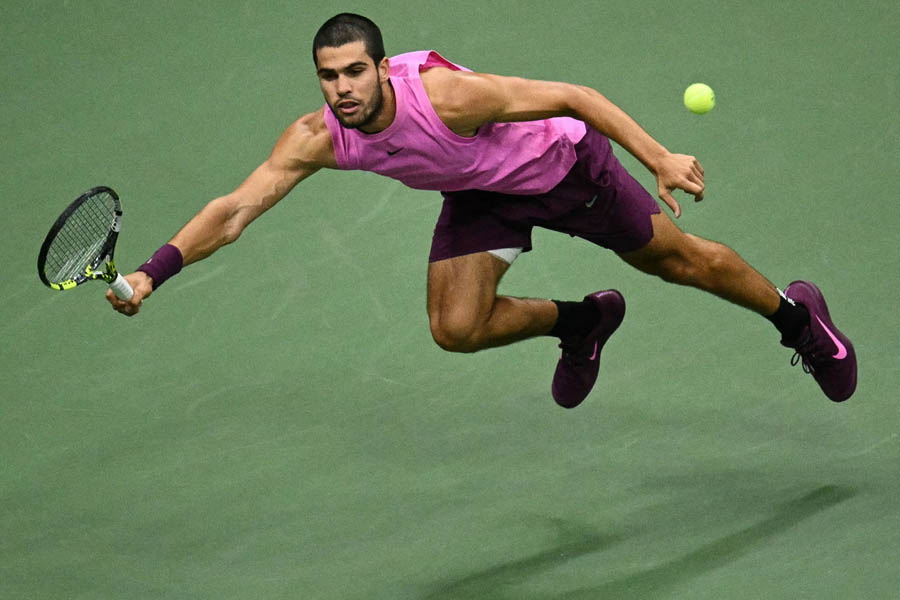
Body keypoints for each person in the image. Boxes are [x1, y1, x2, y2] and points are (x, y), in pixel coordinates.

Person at [107, 13, 857, 406]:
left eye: (354, 72)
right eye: (328, 76)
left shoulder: (448, 98)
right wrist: (150, 274)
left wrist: (656, 156)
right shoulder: (317, 137)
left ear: (380, 64)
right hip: (479, 191)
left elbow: (575, 97)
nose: (341, 89)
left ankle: (800, 319)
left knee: (680, 262)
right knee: (455, 328)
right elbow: (235, 209)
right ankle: (585, 321)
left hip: (563, 167)